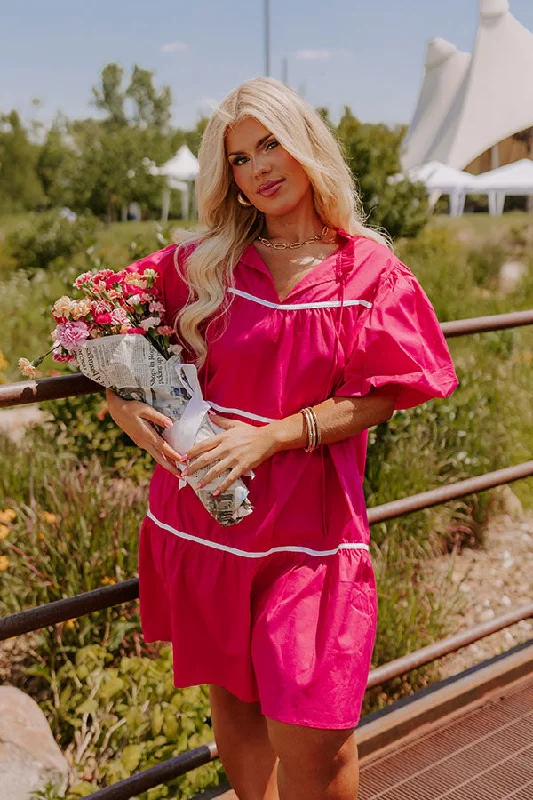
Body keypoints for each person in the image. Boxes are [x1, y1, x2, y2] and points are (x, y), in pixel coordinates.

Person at [106, 77, 458, 800]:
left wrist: (272, 437)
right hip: (209, 518)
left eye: (271, 145)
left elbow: (388, 391)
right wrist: (118, 398)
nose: (259, 168)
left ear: (305, 148)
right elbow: (98, 316)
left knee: (316, 740)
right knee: (234, 702)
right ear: (226, 177)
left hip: (311, 533)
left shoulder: (367, 270)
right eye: (239, 158)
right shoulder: (201, 265)